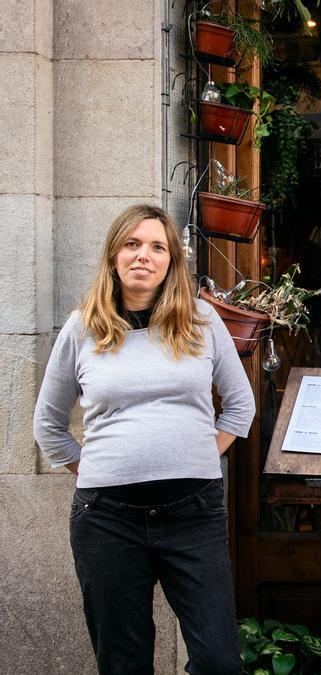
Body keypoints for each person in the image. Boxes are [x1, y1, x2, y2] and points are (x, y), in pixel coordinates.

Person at [33, 204, 255, 675]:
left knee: (219, 661)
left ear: (173, 261)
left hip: (193, 515)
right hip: (107, 520)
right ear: (113, 255)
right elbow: (48, 426)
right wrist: (93, 468)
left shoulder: (201, 321)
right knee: (124, 664)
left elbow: (240, 406)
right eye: (132, 244)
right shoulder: (83, 327)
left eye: (157, 247)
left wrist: (199, 454)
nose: (143, 256)